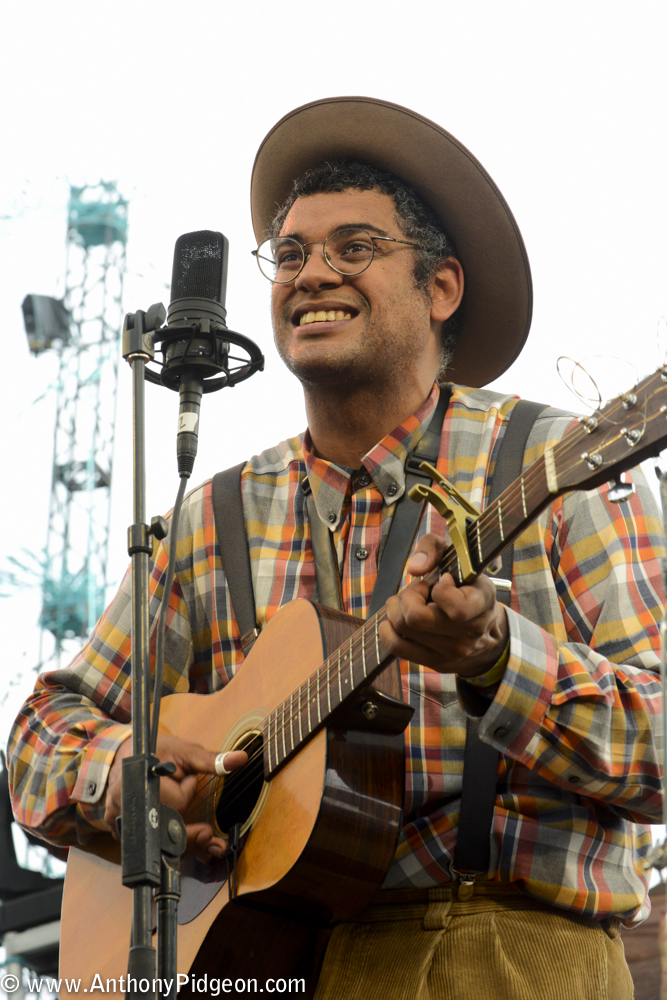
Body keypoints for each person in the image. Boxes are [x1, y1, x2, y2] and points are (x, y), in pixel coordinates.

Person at [8, 96, 666, 999]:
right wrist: (125, 776)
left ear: (440, 290)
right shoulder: (215, 516)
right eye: (289, 255)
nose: (310, 274)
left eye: (353, 249)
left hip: (497, 951)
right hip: (250, 964)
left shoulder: (556, 468)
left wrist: (498, 659)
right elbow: (38, 736)